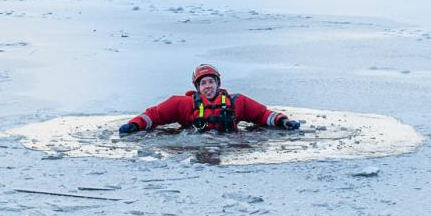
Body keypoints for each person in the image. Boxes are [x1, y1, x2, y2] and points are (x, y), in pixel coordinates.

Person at [119, 64, 300, 136]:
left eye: (211, 82)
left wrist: (283, 121)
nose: (207, 86)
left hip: (228, 143)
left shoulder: (238, 102)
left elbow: (263, 114)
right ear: (197, 87)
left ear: (218, 83)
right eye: (203, 83)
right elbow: (154, 115)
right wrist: (134, 125)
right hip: (196, 144)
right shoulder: (182, 103)